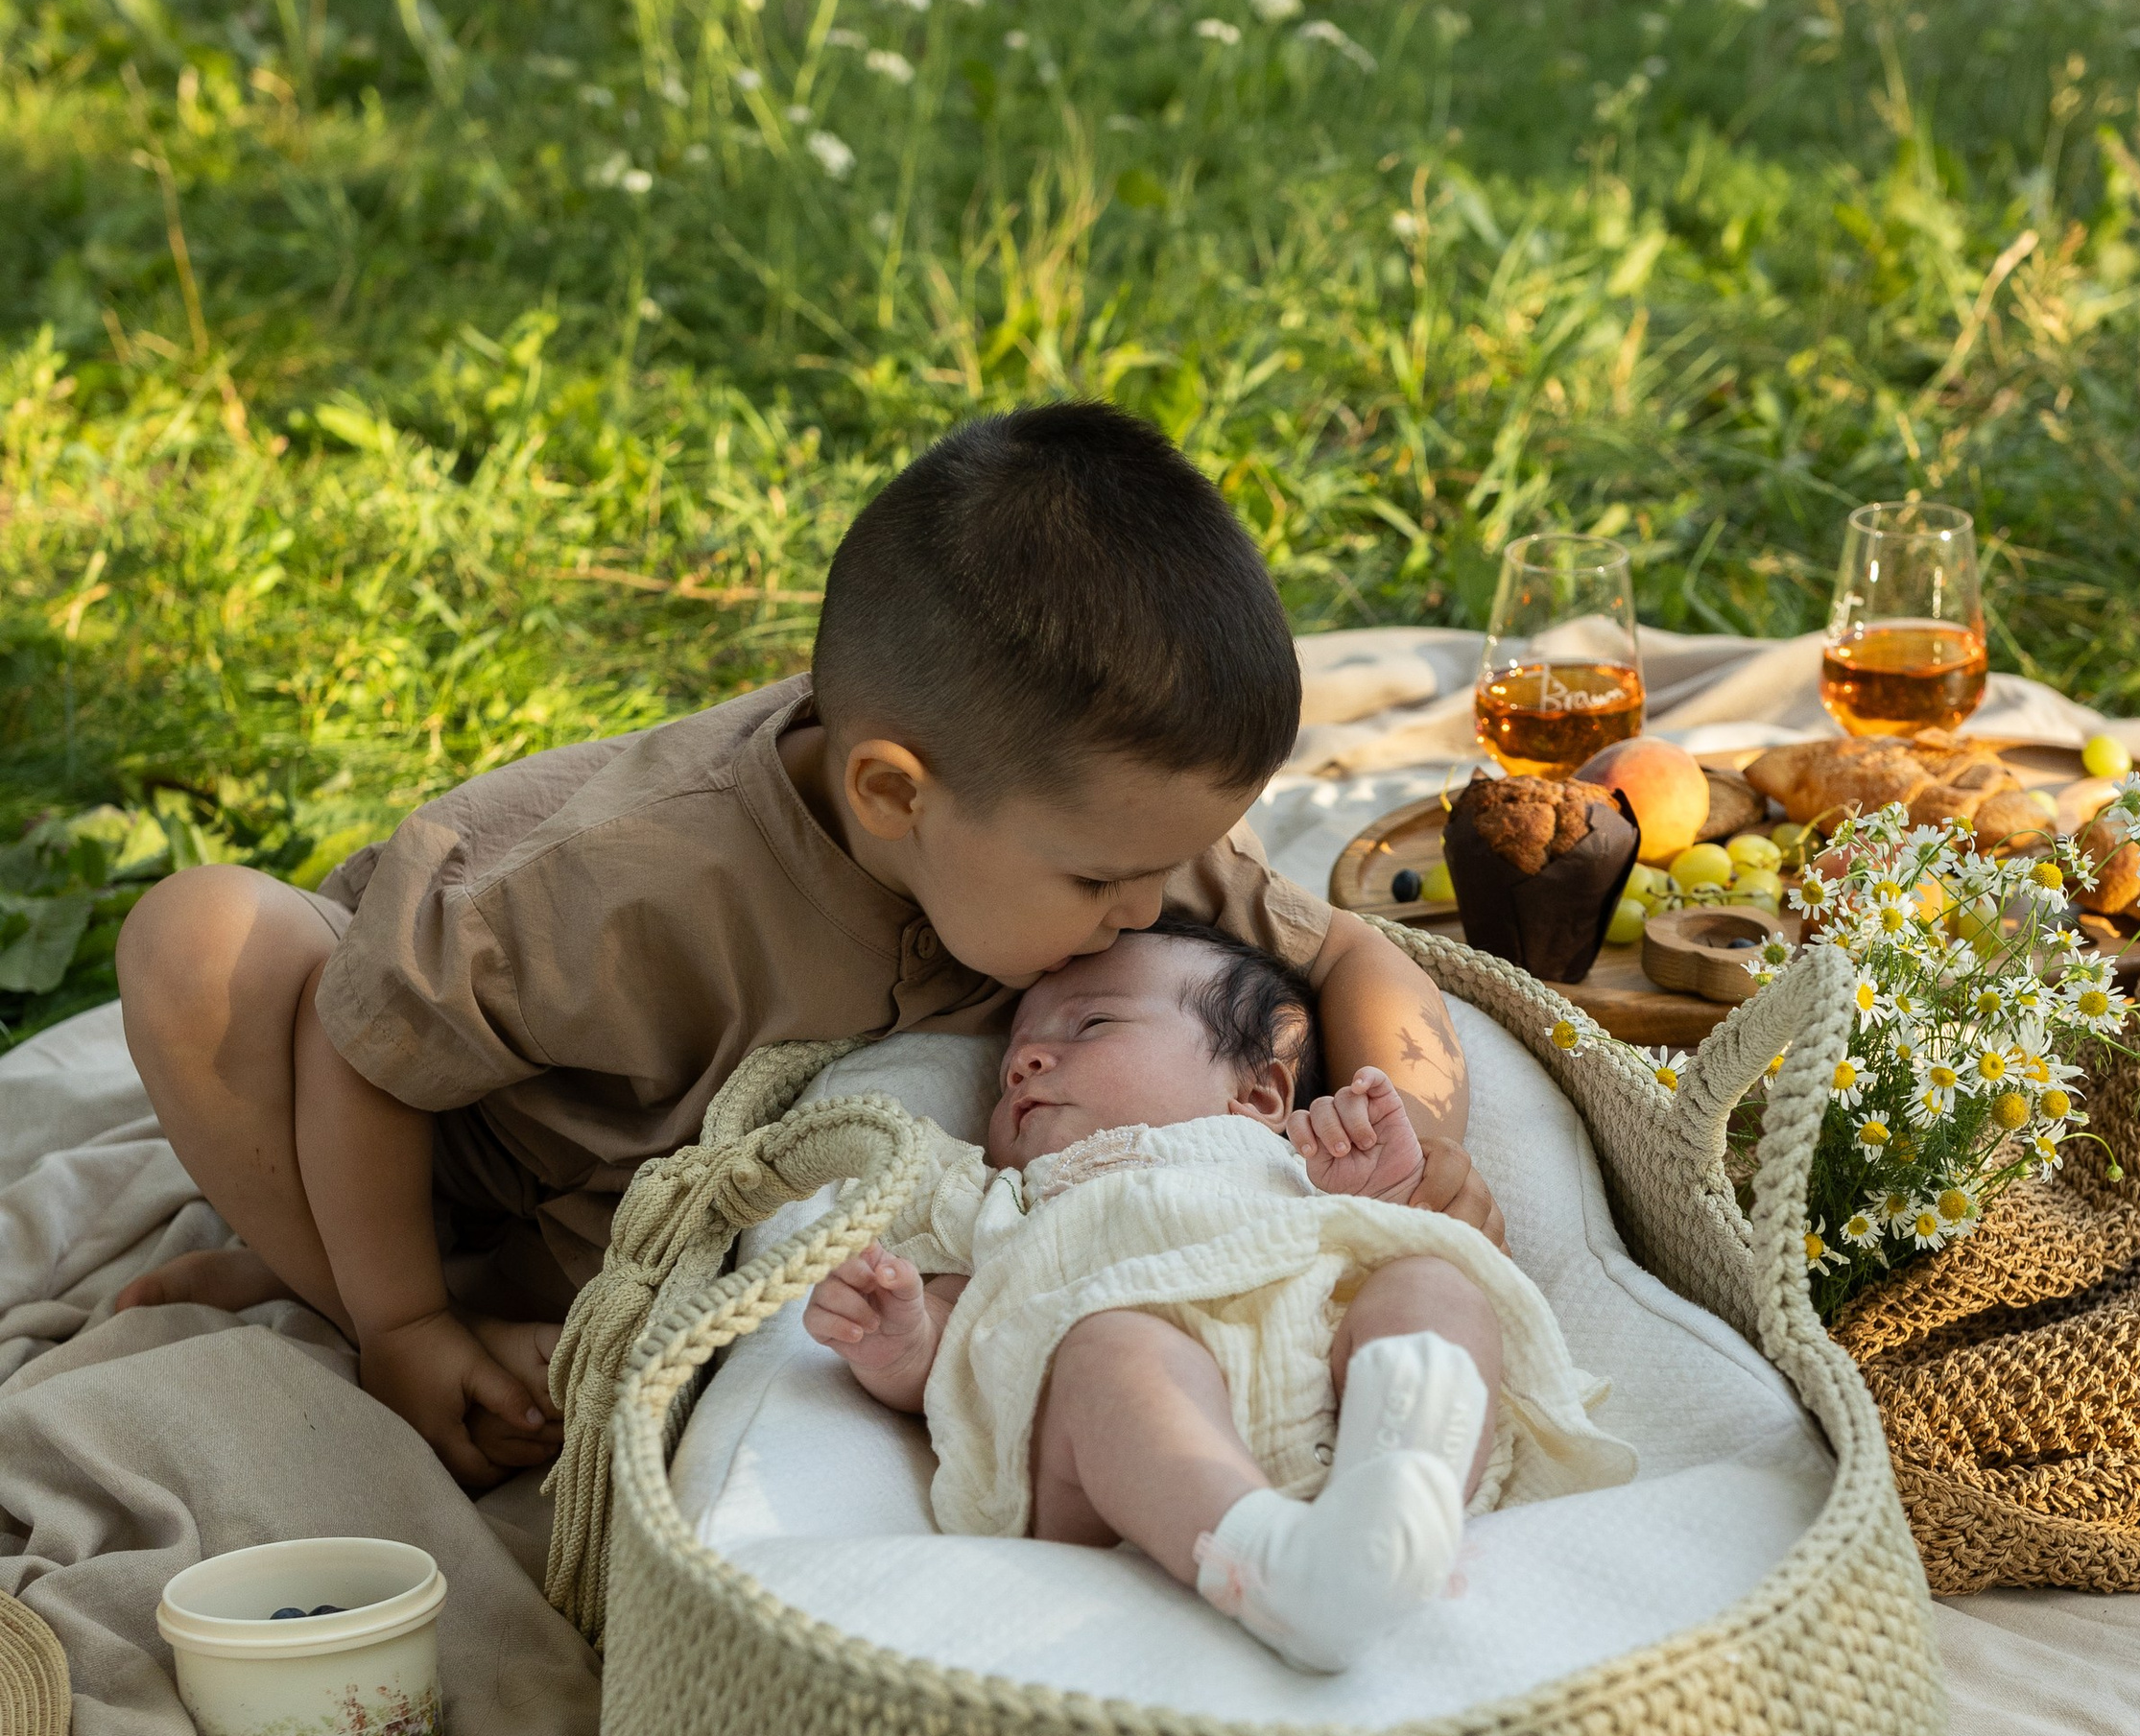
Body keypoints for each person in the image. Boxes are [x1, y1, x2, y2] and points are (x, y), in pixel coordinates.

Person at [110, 404, 1498, 1490]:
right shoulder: (625, 884)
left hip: (648, 1212)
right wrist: (399, 1320)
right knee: (202, 938)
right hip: (453, 1129)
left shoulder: (1085, 816)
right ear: (894, 795)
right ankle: (384, 1296)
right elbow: (364, 1049)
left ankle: (470, 1298)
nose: (1149, 911)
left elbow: (1363, 964)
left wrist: (1421, 1142)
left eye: (1159, 872)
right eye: (1104, 881)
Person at [806, 915, 1631, 1675]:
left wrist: (1384, 1188)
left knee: (1431, 1278)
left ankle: (1401, 1489)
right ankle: (1279, 1569)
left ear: (1262, 1095)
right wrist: (902, 1337)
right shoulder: (1001, 1199)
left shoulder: (1294, 1161)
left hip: (1342, 1405)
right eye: (1008, 1062)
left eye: (1091, 1024)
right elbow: (967, 1345)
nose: (1024, 1061)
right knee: (1109, 1350)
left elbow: (1424, 1241)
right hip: (1137, 1465)